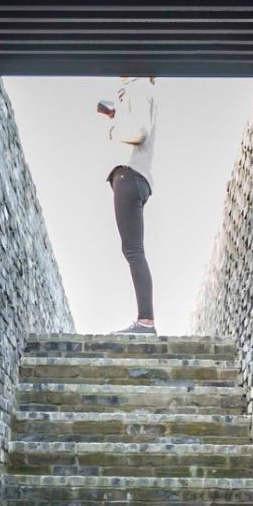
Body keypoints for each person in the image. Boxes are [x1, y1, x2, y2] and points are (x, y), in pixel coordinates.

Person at [96, 75, 159, 335]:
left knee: (133, 250)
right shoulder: (137, 90)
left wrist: (113, 129)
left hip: (129, 174)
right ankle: (145, 321)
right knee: (133, 250)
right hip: (134, 176)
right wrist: (116, 115)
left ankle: (146, 322)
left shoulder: (137, 86)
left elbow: (140, 131)